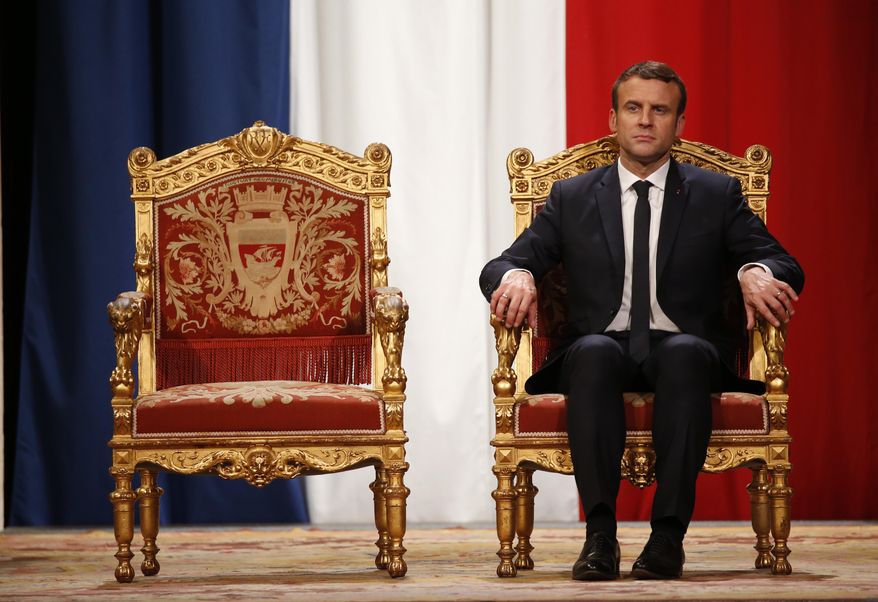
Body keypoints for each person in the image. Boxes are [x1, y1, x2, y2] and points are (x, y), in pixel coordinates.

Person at [479, 61, 804, 581]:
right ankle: (600, 538)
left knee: (683, 352)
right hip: (597, 354)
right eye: (634, 108)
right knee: (594, 351)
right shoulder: (572, 196)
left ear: (679, 125)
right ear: (614, 120)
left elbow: (783, 262)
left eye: (660, 110)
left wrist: (753, 269)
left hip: (685, 355)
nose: (646, 120)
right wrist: (516, 275)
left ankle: (666, 540)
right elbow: (502, 264)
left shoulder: (716, 195)